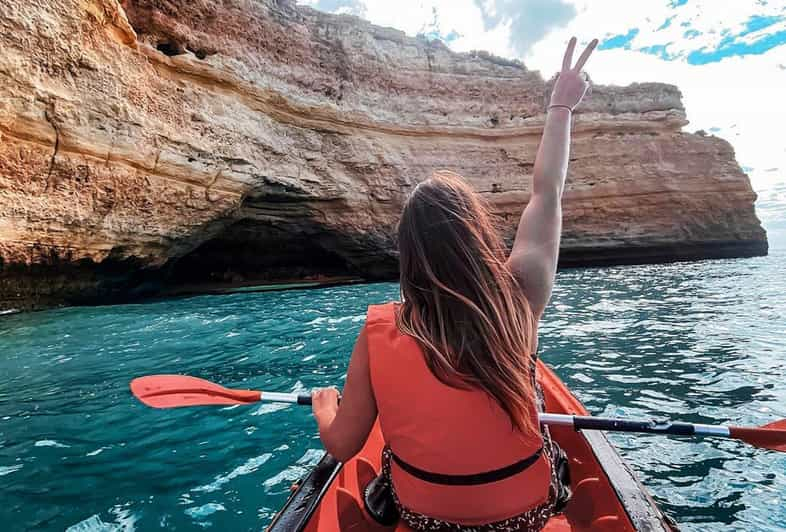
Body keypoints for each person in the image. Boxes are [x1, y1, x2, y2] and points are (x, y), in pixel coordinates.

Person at [311, 36, 597, 530]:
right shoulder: (519, 298)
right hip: (524, 513)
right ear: (478, 235)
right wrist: (560, 106)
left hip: (427, 518)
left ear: (409, 255)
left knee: (383, 469)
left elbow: (343, 445)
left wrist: (325, 409)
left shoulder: (380, 329)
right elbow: (546, 194)